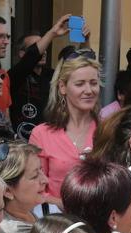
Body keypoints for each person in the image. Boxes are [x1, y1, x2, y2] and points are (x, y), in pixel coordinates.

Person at [29, 52, 100, 208]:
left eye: (93, 83)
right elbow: (34, 189)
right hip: (57, 225)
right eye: (80, 84)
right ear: (62, 87)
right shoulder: (41, 134)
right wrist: (65, 206)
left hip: (99, 223)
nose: (89, 90)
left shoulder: (107, 130)